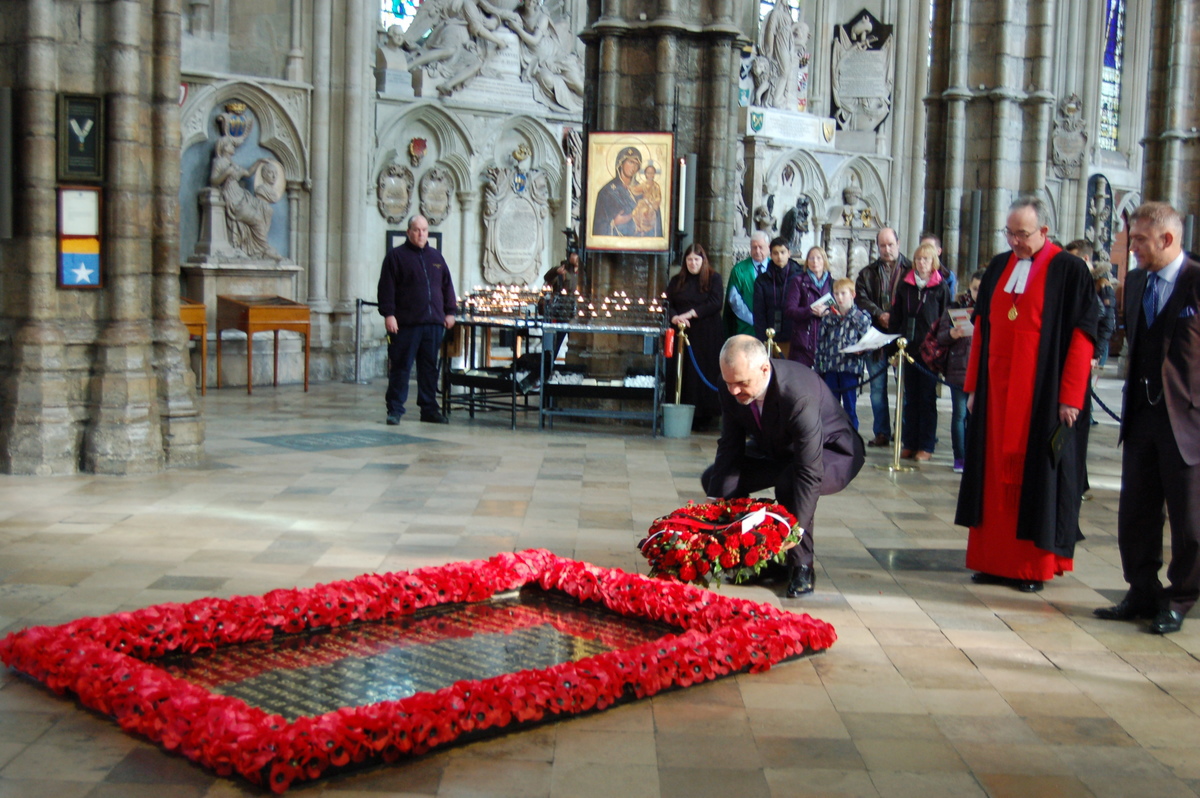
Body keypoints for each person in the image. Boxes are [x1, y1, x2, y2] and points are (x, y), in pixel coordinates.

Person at [956, 197, 1098, 593]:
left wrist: (1071, 397)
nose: (1016, 241)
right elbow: (981, 329)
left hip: (1041, 397)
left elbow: (1082, 338)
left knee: (1036, 477)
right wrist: (972, 386)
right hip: (996, 396)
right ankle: (991, 560)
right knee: (990, 476)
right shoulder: (1000, 266)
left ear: (1044, 232)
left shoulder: (1069, 271)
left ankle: (1030, 567)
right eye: (1010, 232)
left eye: (1023, 234)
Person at [1094, 202, 1200, 635]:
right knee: (1135, 511)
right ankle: (1140, 589)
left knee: (1189, 517)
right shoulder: (1135, 282)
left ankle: (1179, 598)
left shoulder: (1196, 281)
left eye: (1139, 239)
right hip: (1140, 416)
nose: (1131, 247)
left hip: (1188, 419)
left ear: (1167, 239)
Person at [701, 336, 865, 597]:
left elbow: (808, 471)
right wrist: (714, 502)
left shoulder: (798, 393)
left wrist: (795, 531)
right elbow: (730, 445)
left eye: (742, 383)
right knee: (716, 480)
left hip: (832, 452)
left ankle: (801, 566)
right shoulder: (730, 383)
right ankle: (755, 556)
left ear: (764, 369)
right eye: (729, 383)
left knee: (791, 483)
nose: (733, 391)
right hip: (779, 448)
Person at [377, 215, 457, 425]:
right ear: (408, 232)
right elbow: (386, 288)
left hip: (433, 323)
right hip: (406, 324)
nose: (421, 234)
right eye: (416, 230)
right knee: (401, 367)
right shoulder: (396, 257)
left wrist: (450, 312)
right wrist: (389, 314)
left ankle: (429, 409)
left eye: (424, 230)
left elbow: (447, 287)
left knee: (429, 368)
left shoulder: (436, 257)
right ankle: (395, 409)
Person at [890, 241, 950, 461]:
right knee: (910, 399)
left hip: (929, 352)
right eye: (918, 259)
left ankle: (926, 445)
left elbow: (945, 320)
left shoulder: (940, 287)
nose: (921, 262)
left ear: (933, 262)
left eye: (925, 259)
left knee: (926, 399)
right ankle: (909, 442)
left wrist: (941, 349)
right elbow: (896, 317)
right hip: (907, 349)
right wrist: (894, 349)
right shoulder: (905, 286)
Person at [856, 227, 911, 447]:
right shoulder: (868, 272)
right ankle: (881, 431)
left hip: (901, 336)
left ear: (898, 243)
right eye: (882, 245)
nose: (886, 249)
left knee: (903, 388)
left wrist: (894, 317)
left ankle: (903, 431)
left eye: (890, 244)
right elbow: (860, 297)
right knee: (877, 388)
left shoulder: (911, 269)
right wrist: (880, 314)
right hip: (876, 334)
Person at [666, 244, 725, 431]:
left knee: (703, 373)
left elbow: (716, 302)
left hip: (706, 335)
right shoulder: (677, 281)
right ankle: (681, 411)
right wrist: (675, 317)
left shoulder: (714, 278)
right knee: (685, 374)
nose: (693, 263)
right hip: (683, 333)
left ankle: (704, 416)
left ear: (703, 260)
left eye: (696, 260)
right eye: (689, 259)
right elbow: (667, 302)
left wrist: (691, 314)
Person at [938, 269, 984, 473]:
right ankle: (960, 457)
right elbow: (940, 336)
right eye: (975, 289)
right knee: (959, 414)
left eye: (982, 289)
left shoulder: (994, 308)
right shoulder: (956, 308)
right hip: (958, 368)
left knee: (977, 417)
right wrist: (952, 333)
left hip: (982, 369)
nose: (978, 293)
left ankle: (975, 457)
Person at [815, 278, 872, 430]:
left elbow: (869, 343)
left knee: (849, 407)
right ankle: (831, 438)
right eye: (836, 294)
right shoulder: (828, 318)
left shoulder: (861, 317)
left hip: (850, 368)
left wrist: (863, 349)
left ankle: (852, 440)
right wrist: (818, 368)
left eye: (843, 294)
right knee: (830, 407)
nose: (839, 297)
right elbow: (821, 343)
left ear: (853, 294)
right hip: (831, 367)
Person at [782, 246, 834, 367]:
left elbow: (839, 310)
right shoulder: (798, 281)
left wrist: (828, 312)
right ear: (807, 261)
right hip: (803, 341)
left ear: (824, 261)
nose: (815, 262)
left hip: (825, 340)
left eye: (818, 258)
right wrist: (810, 311)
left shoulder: (832, 283)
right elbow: (790, 310)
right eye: (811, 258)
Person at [753, 237, 801, 356]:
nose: (779, 256)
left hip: (793, 335)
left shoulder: (799, 278)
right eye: (775, 253)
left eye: (782, 252)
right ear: (771, 255)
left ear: (789, 253)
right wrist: (762, 338)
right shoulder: (762, 280)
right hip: (770, 334)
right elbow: (758, 312)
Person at [725, 231, 771, 337]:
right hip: (746, 326)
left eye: (760, 247)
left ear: (768, 247)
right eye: (754, 247)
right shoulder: (739, 270)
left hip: (770, 327)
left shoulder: (774, 268)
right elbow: (734, 300)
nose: (757, 251)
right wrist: (753, 319)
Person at [592, 146, 643, 237]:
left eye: (637, 164)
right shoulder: (607, 192)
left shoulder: (641, 190)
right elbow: (598, 227)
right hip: (613, 244)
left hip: (639, 243)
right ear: (621, 163)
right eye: (631, 162)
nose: (634, 167)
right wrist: (614, 222)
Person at [919, 231, 958, 299]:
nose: (926, 251)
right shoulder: (911, 273)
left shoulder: (948, 276)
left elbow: (949, 303)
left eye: (930, 248)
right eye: (923, 247)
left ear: (938, 251)